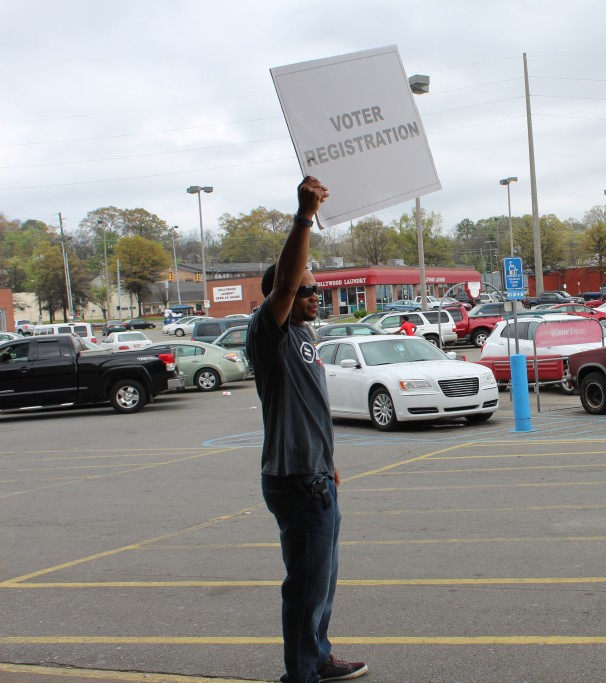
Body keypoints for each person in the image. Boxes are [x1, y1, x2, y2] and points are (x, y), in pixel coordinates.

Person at [246, 176, 367, 682]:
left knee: (323, 583)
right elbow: (288, 283)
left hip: (317, 475)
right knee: (305, 586)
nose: (316, 295)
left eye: (318, 290)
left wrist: (330, 462)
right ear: (284, 294)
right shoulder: (266, 333)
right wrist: (304, 216)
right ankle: (301, 675)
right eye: (307, 290)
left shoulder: (304, 334)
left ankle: (318, 657)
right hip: (294, 480)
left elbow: (311, 408)